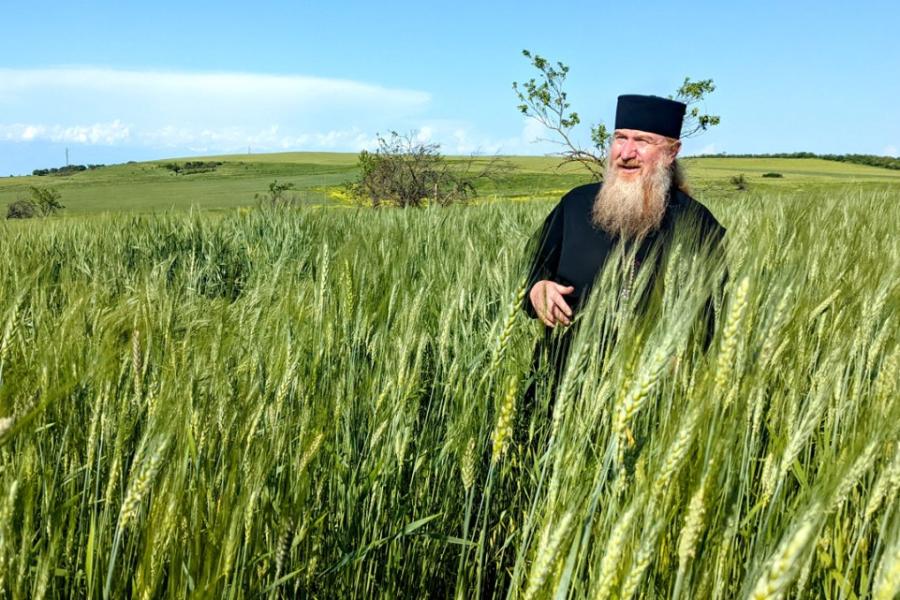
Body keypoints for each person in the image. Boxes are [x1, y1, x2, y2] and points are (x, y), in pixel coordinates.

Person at [520, 94, 727, 419]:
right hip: (559, 388)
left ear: (671, 152)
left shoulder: (698, 224)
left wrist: (682, 358)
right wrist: (536, 289)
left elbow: (716, 310)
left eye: (642, 141)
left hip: (648, 399)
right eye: (620, 139)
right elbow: (534, 264)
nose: (626, 153)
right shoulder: (575, 205)